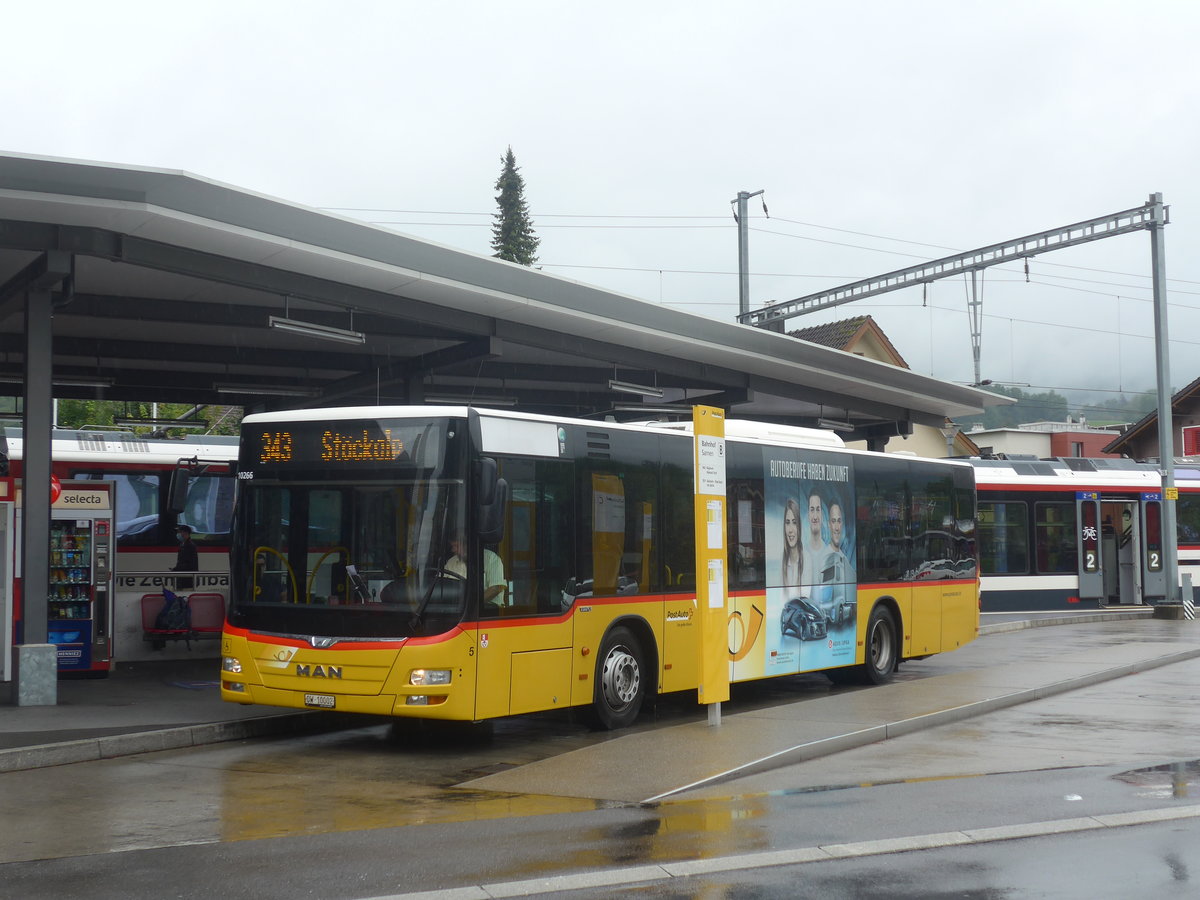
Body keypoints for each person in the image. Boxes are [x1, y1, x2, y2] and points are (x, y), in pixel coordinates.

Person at [446, 534, 507, 605]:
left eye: (456, 546)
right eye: (452, 546)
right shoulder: (451, 562)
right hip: (458, 608)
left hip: (488, 608)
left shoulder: (491, 558)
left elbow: (495, 589)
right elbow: (442, 585)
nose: (453, 550)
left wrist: (472, 605)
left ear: (468, 546)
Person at [781, 497, 804, 590]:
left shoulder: (807, 559)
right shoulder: (781, 562)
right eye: (787, 523)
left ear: (799, 527)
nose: (790, 530)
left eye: (794, 523)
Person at [172, 524, 198, 590]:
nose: (178, 534)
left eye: (180, 532)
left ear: (186, 533)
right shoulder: (183, 545)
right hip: (183, 578)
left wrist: (177, 569)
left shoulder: (190, 546)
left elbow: (189, 563)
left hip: (187, 580)